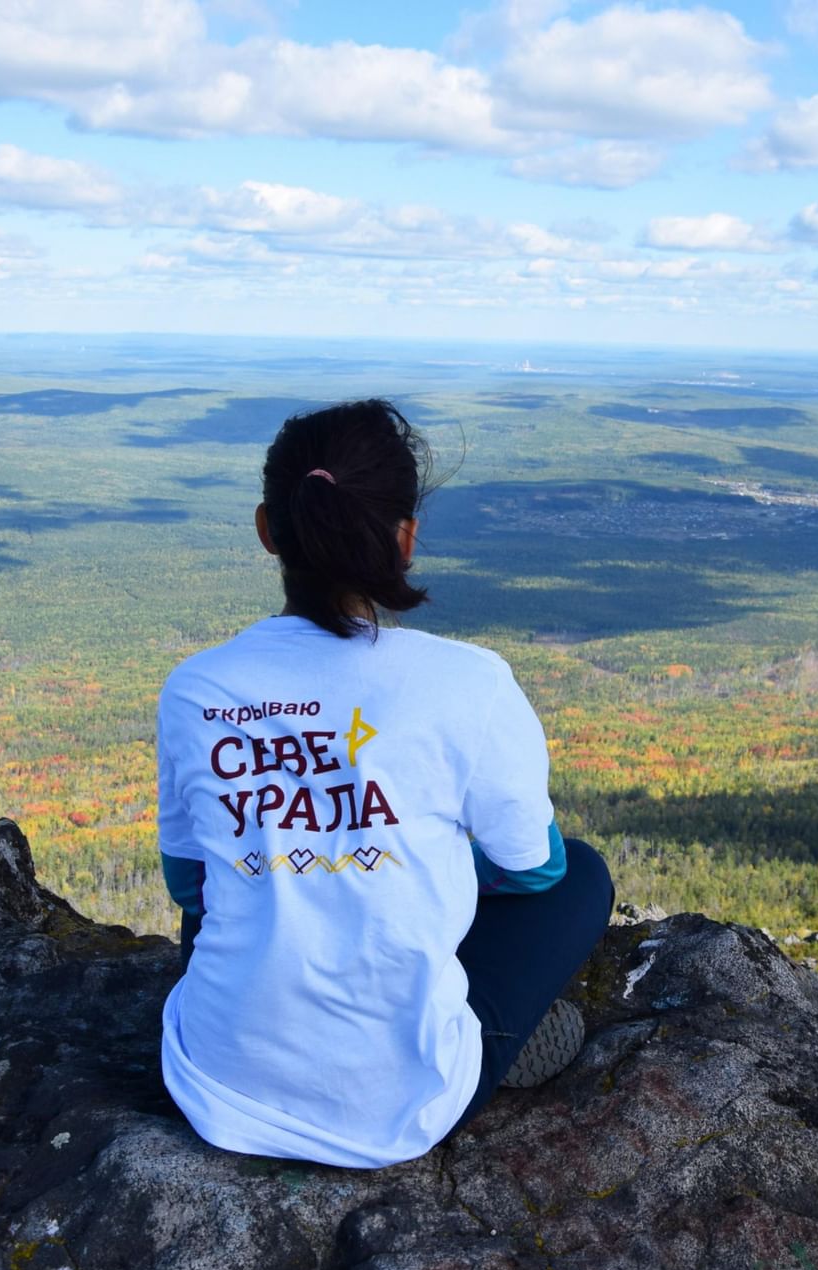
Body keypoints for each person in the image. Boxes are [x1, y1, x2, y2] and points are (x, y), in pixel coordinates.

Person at [155, 399, 613, 1169]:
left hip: (214, 1082)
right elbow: (535, 869)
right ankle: (495, 1039)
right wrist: (406, 861)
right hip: (403, 1106)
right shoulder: (468, 682)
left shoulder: (198, 689)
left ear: (269, 529)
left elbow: (190, 888)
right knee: (584, 878)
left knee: (237, 888)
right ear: (405, 538)